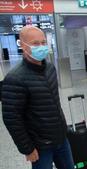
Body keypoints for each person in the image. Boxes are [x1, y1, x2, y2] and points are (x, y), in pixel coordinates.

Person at [1, 26, 74, 169]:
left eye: (43, 42)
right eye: (35, 43)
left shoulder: (50, 68)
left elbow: (54, 104)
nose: (41, 47)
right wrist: (27, 148)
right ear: (22, 45)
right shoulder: (15, 78)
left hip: (61, 139)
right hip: (40, 147)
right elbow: (11, 118)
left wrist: (64, 130)